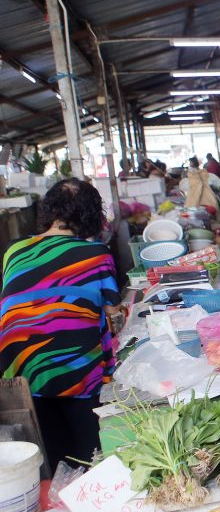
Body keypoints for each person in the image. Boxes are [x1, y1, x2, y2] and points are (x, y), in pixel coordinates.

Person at [0, 179, 122, 469]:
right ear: (91, 215)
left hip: (20, 373)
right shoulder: (96, 255)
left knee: (48, 456)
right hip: (76, 372)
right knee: (86, 455)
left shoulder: (13, 250)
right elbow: (113, 309)